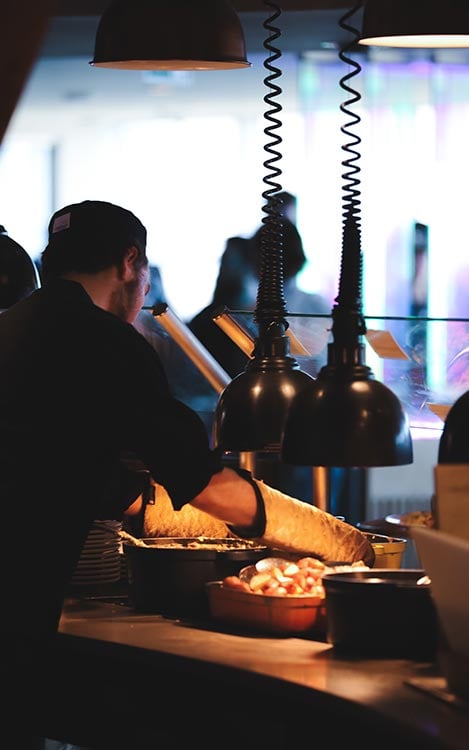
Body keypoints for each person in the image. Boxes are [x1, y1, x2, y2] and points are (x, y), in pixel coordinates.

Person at [0, 199, 372, 748]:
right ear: (131, 263)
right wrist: (336, 539)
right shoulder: (107, 341)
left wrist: (166, 512)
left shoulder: (12, 328)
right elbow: (204, 483)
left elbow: (87, 475)